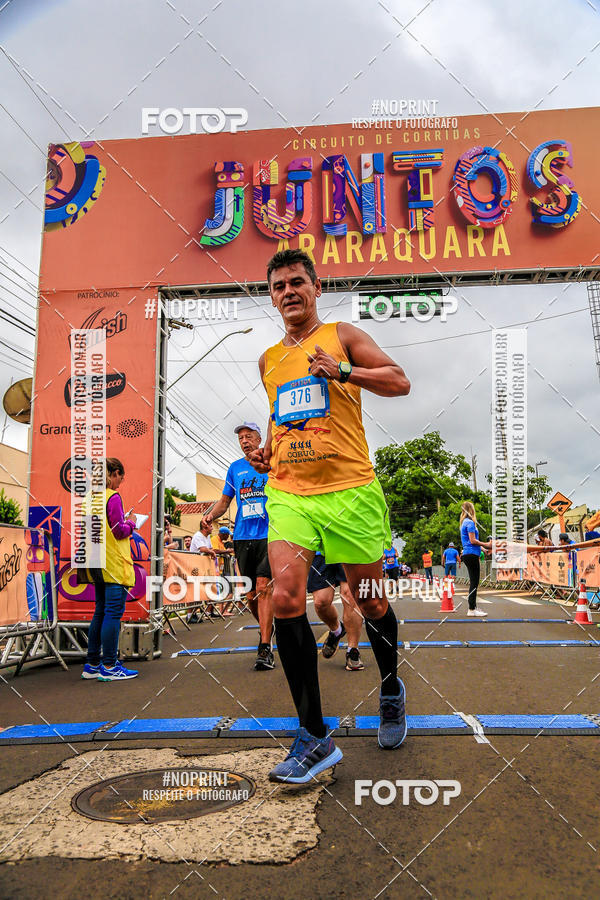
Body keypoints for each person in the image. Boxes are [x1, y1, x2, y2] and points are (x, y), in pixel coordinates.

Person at [249, 248, 410, 784]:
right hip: (289, 493)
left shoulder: (342, 335)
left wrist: (343, 370)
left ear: (316, 288)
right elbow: (280, 416)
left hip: (350, 492)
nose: (289, 292)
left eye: (297, 282)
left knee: (370, 599)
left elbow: (399, 381)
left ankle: (390, 687)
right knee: (286, 598)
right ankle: (314, 736)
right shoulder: (269, 359)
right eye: (279, 286)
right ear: (272, 296)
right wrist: (269, 451)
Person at [201, 423, 275, 670]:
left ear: (259, 439)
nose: (244, 441)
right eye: (241, 438)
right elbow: (225, 501)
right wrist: (210, 515)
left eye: (248, 436)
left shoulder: (270, 462)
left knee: (264, 586)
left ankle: (265, 646)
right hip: (243, 536)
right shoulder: (235, 468)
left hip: (269, 534)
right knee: (250, 594)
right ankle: (267, 627)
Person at [81, 457, 139, 681]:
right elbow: (118, 530)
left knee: (100, 612)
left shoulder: (88, 498)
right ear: (114, 474)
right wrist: (132, 522)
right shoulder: (112, 497)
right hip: (114, 563)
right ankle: (110, 665)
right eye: (120, 478)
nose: (119, 484)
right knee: (112, 614)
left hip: (95, 561)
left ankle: (92, 663)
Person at [308, 554, 364, 671]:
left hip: (348, 548)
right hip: (321, 550)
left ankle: (353, 650)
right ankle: (337, 630)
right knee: (321, 602)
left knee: (350, 596)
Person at [460, 501, 492, 617]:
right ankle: (471, 609)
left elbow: (470, 542)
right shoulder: (470, 523)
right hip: (471, 554)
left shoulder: (464, 523)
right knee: (474, 582)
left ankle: (473, 607)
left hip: (469, 553)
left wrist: (483, 549)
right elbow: (473, 541)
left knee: (474, 582)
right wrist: (487, 545)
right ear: (471, 510)